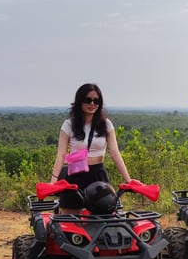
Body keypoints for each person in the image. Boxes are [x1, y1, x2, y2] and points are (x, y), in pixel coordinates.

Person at [50, 83, 131, 213]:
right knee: (70, 219)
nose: (92, 104)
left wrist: (129, 180)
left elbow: (115, 154)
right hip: (76, 175)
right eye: (88, 100)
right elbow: (60, 155)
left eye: (96, 100)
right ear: (79, 101)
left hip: (98, 174)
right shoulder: (69, 125)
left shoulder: (106, 124)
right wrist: (53, 182)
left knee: (104, 218)